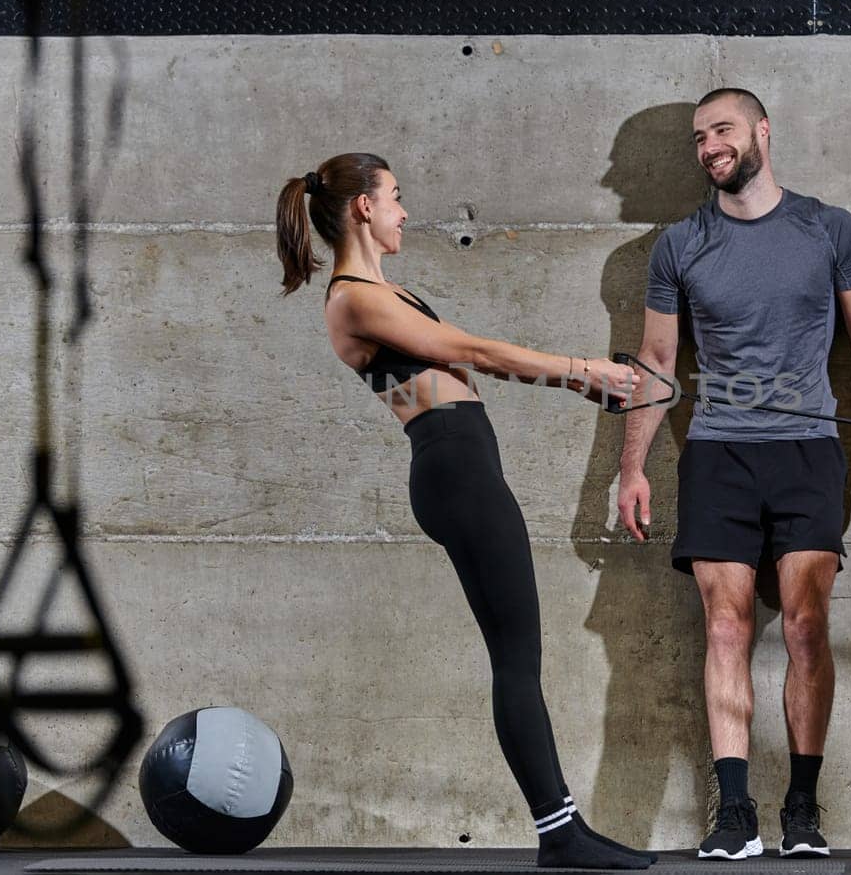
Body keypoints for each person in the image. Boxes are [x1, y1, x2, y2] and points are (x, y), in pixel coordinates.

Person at [275, 153, 653, 870]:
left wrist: (580, 385)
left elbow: (461, 360)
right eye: (394, 197)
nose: (404, 211)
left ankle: (563, 829)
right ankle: (560, 834)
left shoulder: (388, 291)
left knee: (521, 656)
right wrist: (582, 370)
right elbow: (471, 350)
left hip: (463, 466)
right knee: (517, 659)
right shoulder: (352, 297)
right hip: (455, 469)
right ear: (362, 207)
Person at [616, 90, 851, 860]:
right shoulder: (680, 244)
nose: (709, 146)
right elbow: (655, 361)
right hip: (718, 452)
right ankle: (734, 812)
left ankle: (802, 811)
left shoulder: (828, 228)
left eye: (723, 130)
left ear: (761, 133)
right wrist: (632, 465)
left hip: (810, 450)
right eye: (699, 137)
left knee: (807, 624)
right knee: (725, 626)